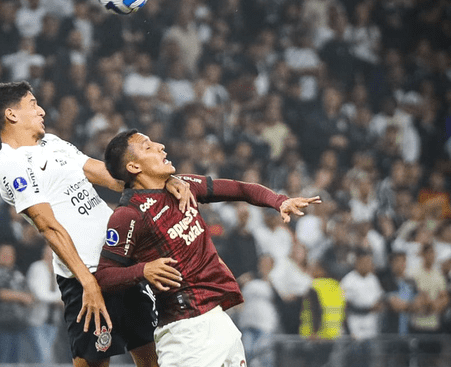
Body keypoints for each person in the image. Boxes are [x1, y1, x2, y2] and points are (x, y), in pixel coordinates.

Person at [0, 80, 193, 367]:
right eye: (32, 104)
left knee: (152, 359)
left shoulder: (52, 143)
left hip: (120, 265)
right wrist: (88, 283)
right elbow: (48, 226)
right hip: (85, 277)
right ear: (11, 115)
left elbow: (106, 174)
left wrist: (162, 182)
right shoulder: (11, 166)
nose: (41, 110)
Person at [95, 129, 321, 367]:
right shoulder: (128, 215)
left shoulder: (184, 185)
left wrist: (278, 201)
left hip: (219, 321)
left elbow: (240, 190)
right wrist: (143, 271)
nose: (160, 146)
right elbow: (105, 275)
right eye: (148, 147)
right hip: (185, 334)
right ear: (133, 167)